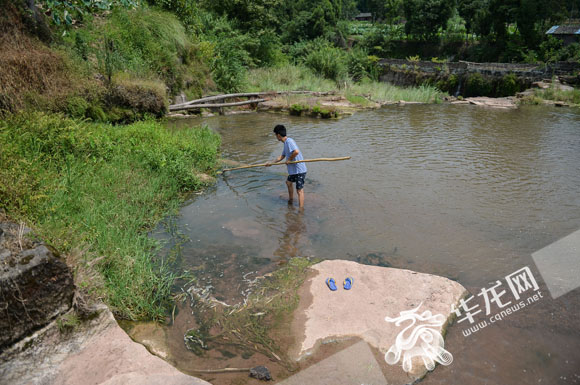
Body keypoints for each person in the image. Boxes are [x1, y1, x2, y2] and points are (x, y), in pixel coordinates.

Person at [266, 124, 307, 208]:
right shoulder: (285, 144)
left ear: (278, 135)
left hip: (299, 170)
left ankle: (301, 209)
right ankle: (291, 200)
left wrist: (289, 160)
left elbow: (296, 152)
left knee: (299, 190)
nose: (275, 137)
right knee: (288, 182)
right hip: (293, 171)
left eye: (275, 135)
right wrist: (271, 162)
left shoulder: (289, 141)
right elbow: (282, 156)